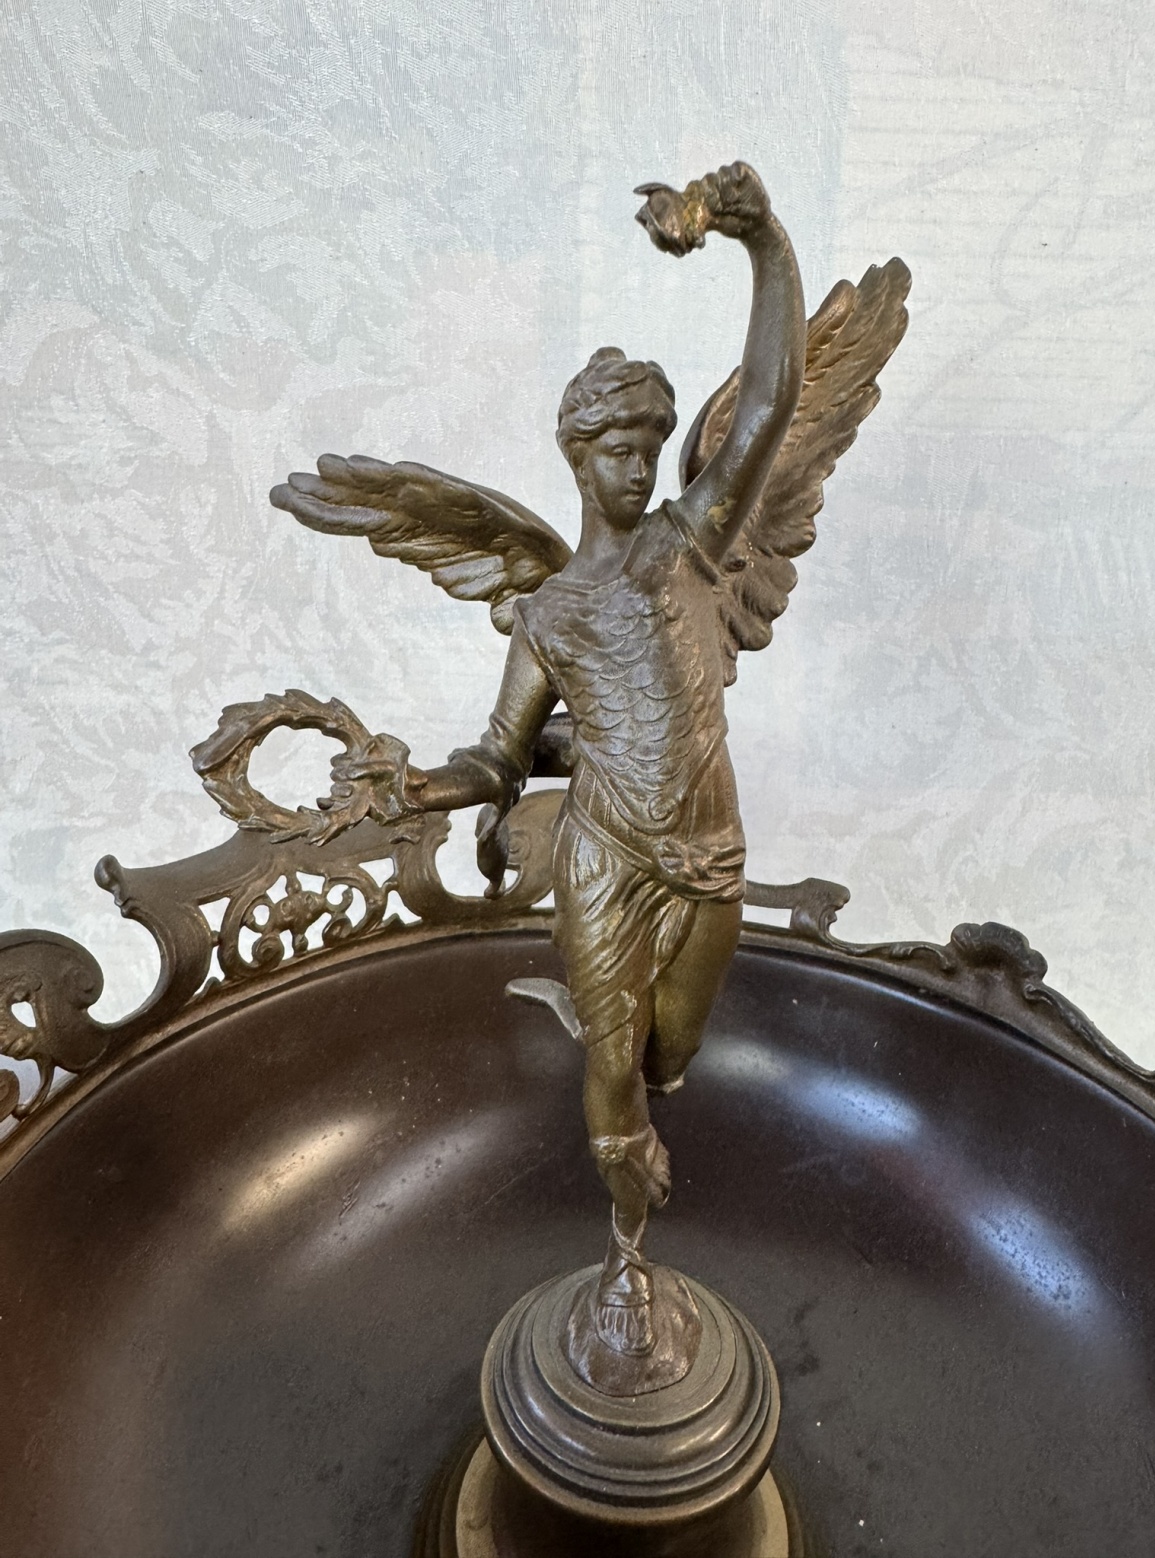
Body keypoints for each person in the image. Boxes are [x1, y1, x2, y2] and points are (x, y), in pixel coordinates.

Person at [399, 163, 807, 1359]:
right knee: (617, 1083)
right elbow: (497, 755)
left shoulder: (690, 545)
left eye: (648, 447)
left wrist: (759, 238)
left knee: (669, 1052)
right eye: (616, 450)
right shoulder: (547, 614)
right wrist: (418, 788)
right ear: (577, 459)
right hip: (599, 860)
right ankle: (626, 1260)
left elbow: (771, 401)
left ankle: (622, 1110)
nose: (637, 466)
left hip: (707, 853)